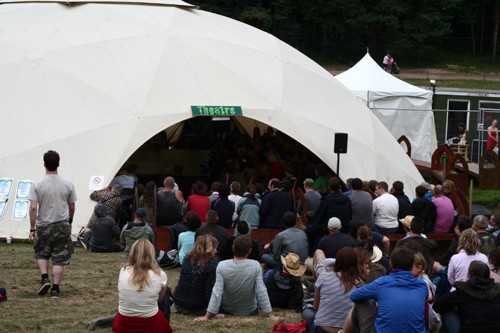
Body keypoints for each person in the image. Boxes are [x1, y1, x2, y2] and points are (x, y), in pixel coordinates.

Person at [193, 235, 281, 321]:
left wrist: (207, 315)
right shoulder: (255, 265)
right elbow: (261, 290)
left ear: (233, 248)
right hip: (249, 311)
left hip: (228, 310)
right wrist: (270, 314)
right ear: (250, 251)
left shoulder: (222, 265)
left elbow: (217, 291)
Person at [29, 150, 77, 299]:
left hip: (43, 224)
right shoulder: (68, 183)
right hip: (62, 224)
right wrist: (69, 220)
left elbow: (33, 208)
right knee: (59, 256)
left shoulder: (37, 184)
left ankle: (44, 278)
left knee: (41, 252)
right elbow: (72, 206)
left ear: (44, 164)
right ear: (58, 163)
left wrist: (32, 228)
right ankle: (55, 289)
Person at [350, 246, 428, 333]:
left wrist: (374, 301)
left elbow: (354, 296)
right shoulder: (422, 285)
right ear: (412, 266)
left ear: (390, 264)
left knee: (361, 302)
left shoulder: (382, 283)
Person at [112, 239, 172, 333]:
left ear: (133, 253)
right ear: (152, 254)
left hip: (124, 322)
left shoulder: (123, 271)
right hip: (149, 322)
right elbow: (159, 299)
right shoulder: (161, 274)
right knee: (165, 293)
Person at [304, 247, 365, 333]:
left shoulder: (324, 276)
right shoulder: (360, 284)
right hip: (347, 330)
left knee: (307, 312)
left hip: (321, 329)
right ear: (355, 263)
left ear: (337, 260)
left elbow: (315, 307)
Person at [434, 261, 500, 333]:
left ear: (469, 274)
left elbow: (437, 305)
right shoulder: (497, 292)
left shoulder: (462, 292)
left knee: (447, 308)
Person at [173, 235, 219, 315]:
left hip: (178, 303)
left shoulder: (187, 259)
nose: (216, 251)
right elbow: (209, 290)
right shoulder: (212, 265)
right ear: (209, 248)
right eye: (215, 248)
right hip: (197, 307)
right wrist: (214, 310)